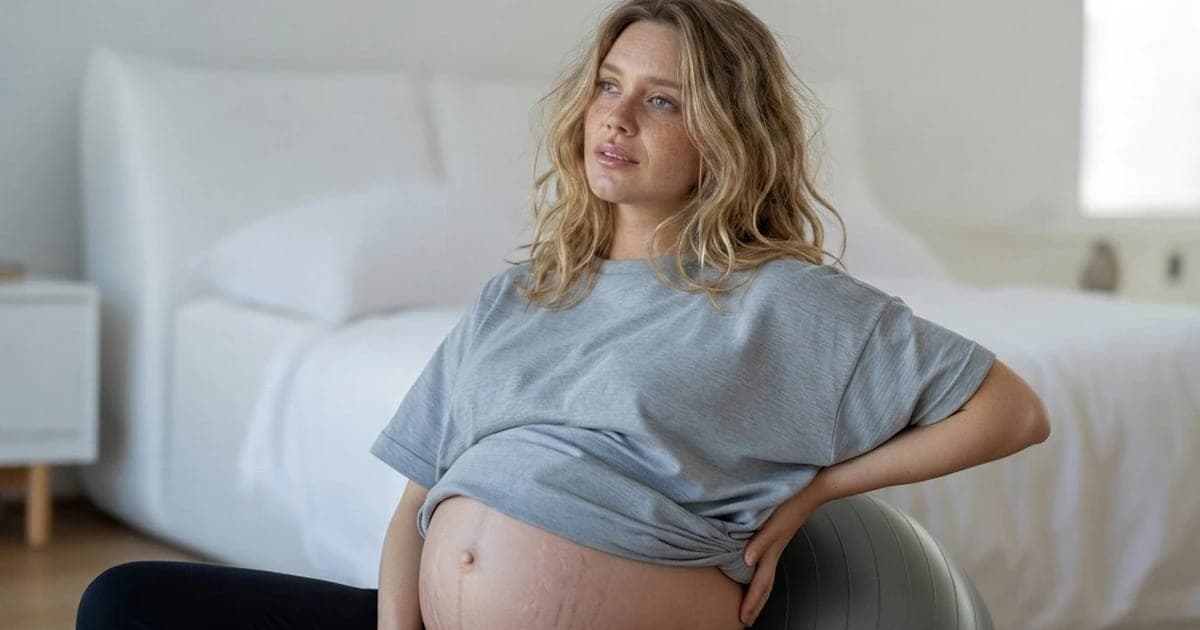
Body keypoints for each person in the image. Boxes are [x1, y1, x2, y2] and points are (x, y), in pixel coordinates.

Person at [75, 1, 1051, 629]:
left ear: (724, 136)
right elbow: (419, 498)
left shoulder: (777, 298)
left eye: (662, 102)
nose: (617, 119)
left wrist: (815, 489)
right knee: (126, 601)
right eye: (608, 87)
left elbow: (1010, 410)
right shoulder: (522, 292)